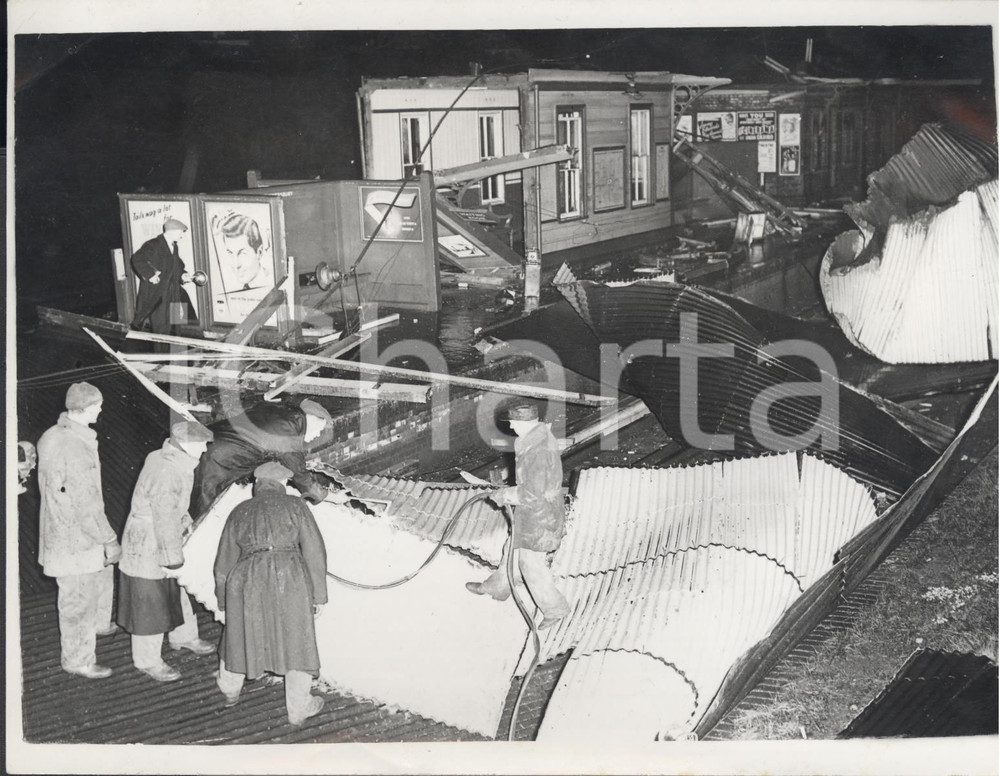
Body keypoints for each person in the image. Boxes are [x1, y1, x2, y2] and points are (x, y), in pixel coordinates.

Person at [213, 461, 328, 725]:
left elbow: (224, 561)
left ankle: (229, 689)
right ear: (284, 483)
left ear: (257, 484)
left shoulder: (239, 511)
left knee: (238, 635)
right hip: (289, 577)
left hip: (245, 578)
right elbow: (315, 551)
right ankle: (298, 708)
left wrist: (223, 600)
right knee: (297, 641)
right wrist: (319, 595)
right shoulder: (296, 506)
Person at [117, 420, 218, 683]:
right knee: (148, 602)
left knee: (178, 590)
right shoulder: (168, 472)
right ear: (184, 444)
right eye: (201, 444)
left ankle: (184, 637)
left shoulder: (171, 459)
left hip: (163, 535)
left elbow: (175, 509)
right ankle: (147, 660)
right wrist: (173, 560)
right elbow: (164, 519)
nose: (204, 449)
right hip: (149, 542)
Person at [37, 382, 122, 679]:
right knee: (77, 600)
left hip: (58, 529)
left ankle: (97, 626)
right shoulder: (76, 448)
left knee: (88, 587)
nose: (101, 409)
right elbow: (86, 505)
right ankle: (78, 660)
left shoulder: (52, 435)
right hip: (76, 538)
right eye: (97, 405)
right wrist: (109, 539)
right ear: (84, 409)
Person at [465, 404, 571, 629]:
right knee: (511, 547)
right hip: (532, 511)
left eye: (513, 422)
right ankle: (498, 587)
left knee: (530, 563)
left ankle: (556, 609)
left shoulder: (539, 451)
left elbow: (532, 493)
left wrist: (504, 495)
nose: (511, 426)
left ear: (525, 423)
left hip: (541, 514)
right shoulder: (534, 439)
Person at [192, 398, 333, 517]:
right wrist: (329, 496)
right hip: (216, 460)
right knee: (202, 514)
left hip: (209, 439)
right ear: (312, 418)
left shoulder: (279, 411)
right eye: (319, 429)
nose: (317, 435)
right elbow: (301, 475)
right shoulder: (288, 432)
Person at [131, 216, 198, 335]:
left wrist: (183, 275)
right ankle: (161, 347)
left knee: (177, 325)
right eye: (181, 232)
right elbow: (137, 259)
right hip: (160, 293)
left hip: (174, 291)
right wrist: (151, 275)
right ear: (173, 231)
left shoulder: (174, 246)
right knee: (161, 328)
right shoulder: (153, 244)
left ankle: (177, 346)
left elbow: (177, 265)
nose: (183, 236)